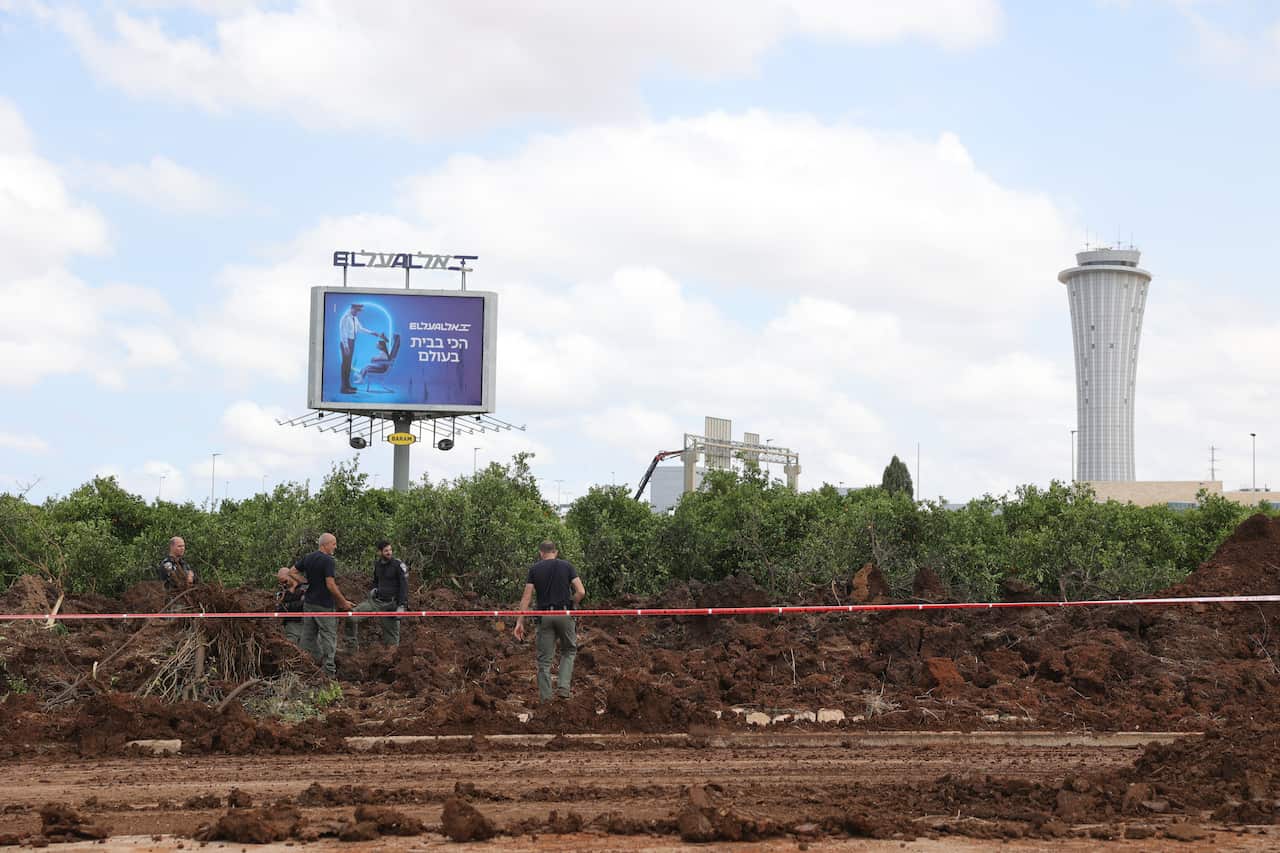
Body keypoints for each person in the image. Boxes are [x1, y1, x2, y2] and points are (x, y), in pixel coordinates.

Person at [514, 541, 585, 702]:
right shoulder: (567, 566)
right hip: (564, 614)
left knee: (544, 661)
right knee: (569, 651)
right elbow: (581, 591)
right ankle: (563, 689)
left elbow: (526, 597)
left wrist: (520, 621)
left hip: (544, 616)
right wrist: (571, 603)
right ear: (556, 552)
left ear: (541, 553)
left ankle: (546, 700)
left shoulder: (534, 569)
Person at [287, 533, 355, 677]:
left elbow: (291, 572)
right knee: (328, 637)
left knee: (308, 636)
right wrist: (343, 603)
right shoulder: (328, 560)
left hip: (309, 604)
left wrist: (304, 581)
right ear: (325, 545)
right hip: (324, 606)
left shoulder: (308, 557)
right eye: (334, 544)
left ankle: (303, 668)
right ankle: (329, 672)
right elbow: (330, 585)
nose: (335, 547)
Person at [344, 540, 409, 652]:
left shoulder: (398, 565)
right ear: (379, 552)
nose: (389, 552)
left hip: (391, 604)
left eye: (390, 550)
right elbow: (375, 581)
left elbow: (404, 586)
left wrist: (401, 605)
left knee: (392, 642)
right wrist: (374, 589)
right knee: (351, 617)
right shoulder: (378, 565)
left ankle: (390, 658)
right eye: (386, 551)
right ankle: (351, 648)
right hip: (376, 602)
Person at [338, 303, 385, 394]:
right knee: (345, 365)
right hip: (346, 342)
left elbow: (360, 329)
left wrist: (372, 333)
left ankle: (348, 386)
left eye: (358, 311)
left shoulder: (355, 318)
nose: (357, 313)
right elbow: (343, 333)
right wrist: (346, 346)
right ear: (352, 308)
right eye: (356, 310)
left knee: (348, 365)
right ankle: (343, 388)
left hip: (352, 342)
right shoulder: (345, 318)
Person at [275, 566, 308, 646]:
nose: (284, 584)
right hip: (291, 626)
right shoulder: (282, 592)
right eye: (281, 583)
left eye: (285, 581)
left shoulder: (304, 587)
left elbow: (305, 604)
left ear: (291, 576)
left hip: (306, 624)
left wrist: (288, 605)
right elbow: (279, 608)